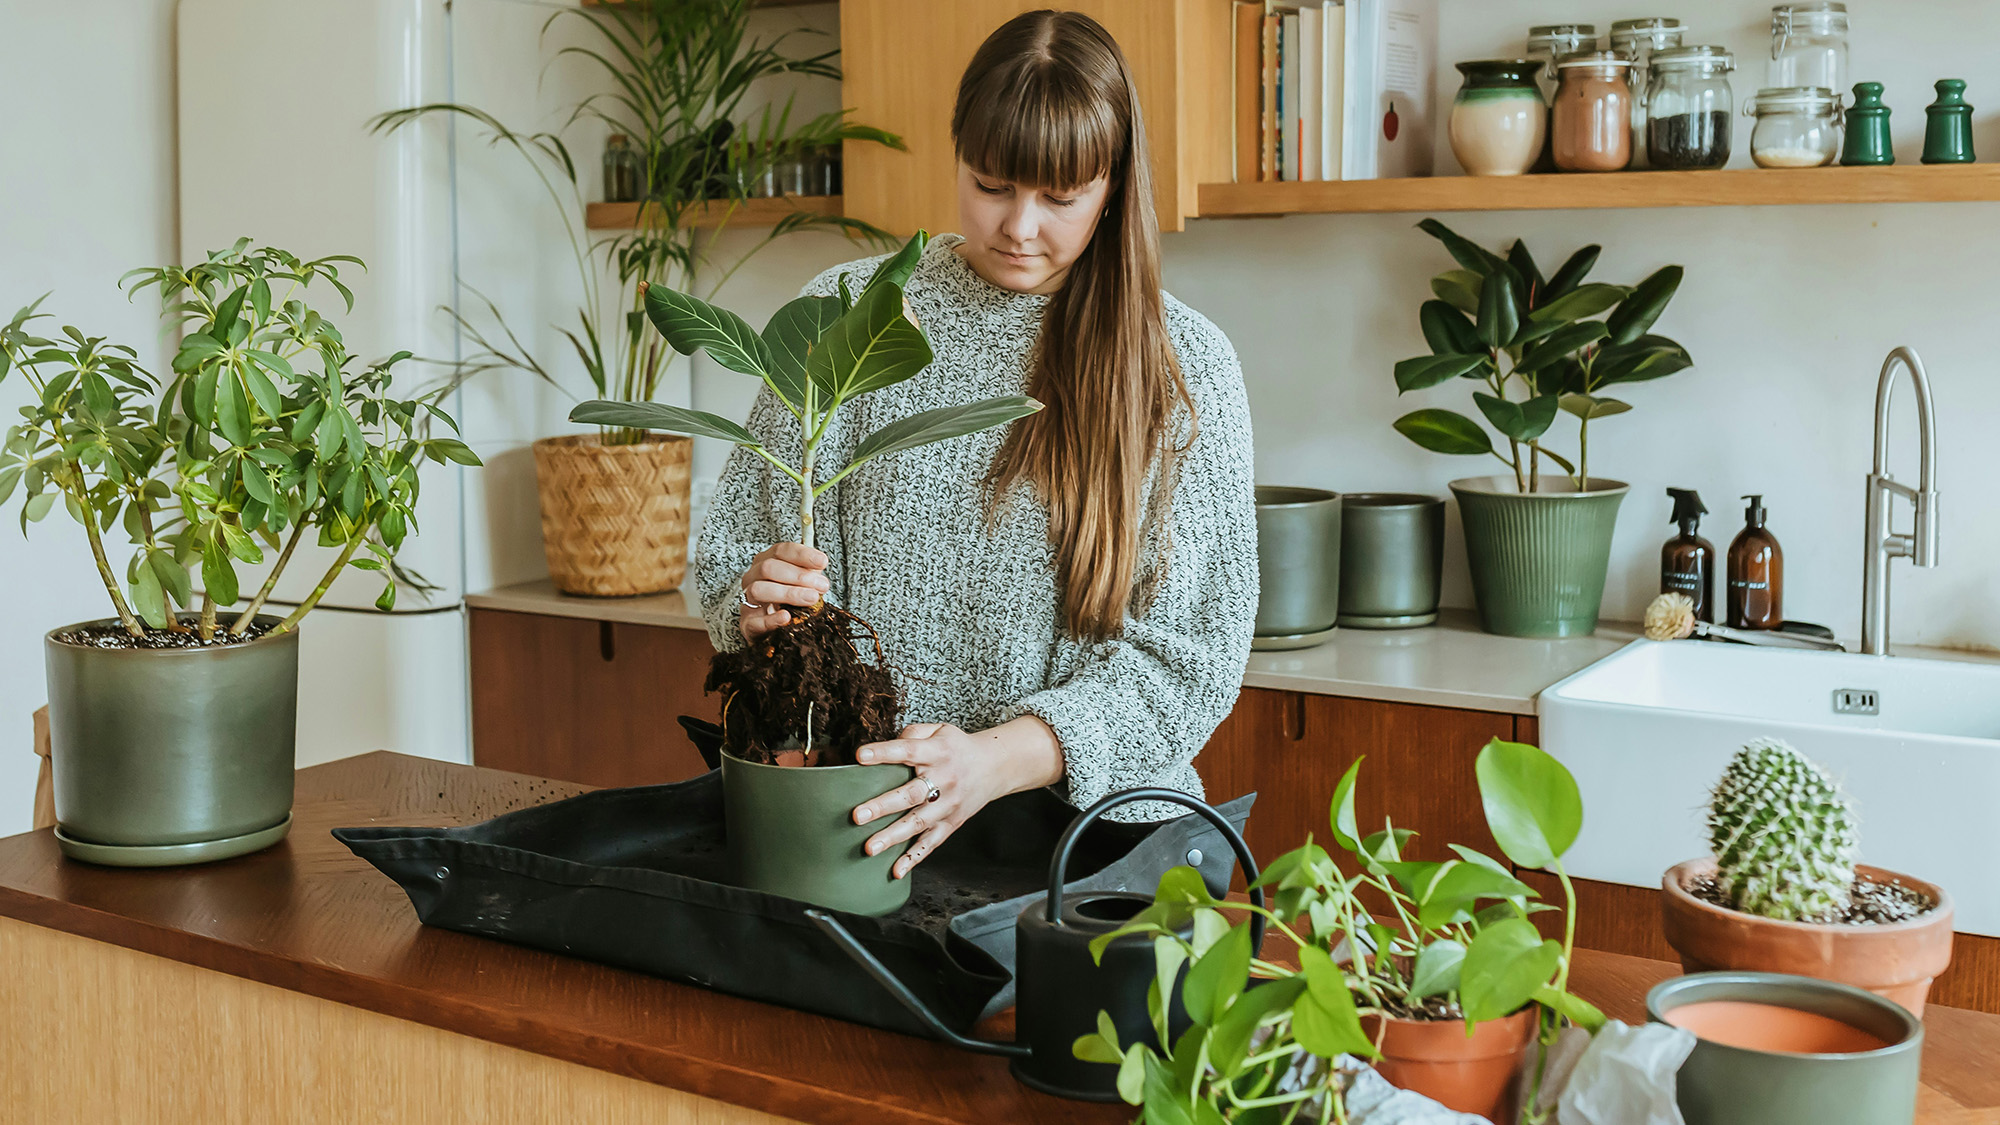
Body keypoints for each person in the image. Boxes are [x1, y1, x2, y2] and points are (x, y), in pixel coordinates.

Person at [696, 9, 1256, 878]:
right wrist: (752, 599)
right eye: (992, 184)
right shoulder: (858, 312)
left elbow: (1190, 663)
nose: (1020, 226)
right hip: (858, 832)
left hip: (1088, 855)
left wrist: (991, 761)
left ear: (1112, 185)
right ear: (955, 151)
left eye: (1060, 198)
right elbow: (729, 552)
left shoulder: (1183, 371)